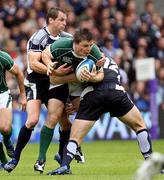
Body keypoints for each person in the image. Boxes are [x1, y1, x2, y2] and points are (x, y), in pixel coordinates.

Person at [4, 7, 84, 174]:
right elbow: (33, 64)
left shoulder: (68, 38)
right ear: (51, 20)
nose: (65, 23)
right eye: (61, 19)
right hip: (37, 82)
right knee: (32, 120)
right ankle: (15, 158)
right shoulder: (38, 37)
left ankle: (56, 161)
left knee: (62, 121)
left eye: (65, 20)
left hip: (57, 83)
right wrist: (52, 70)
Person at [45, 54, 153, 175]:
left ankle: (64, 166)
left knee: (75, 137)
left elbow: (77, 79)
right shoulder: (111, 62)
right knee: (140, 126)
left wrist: (57, 80)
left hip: (93, 96)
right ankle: (152, 163)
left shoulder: (87, 61)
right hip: (115, 93)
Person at [0, 50, 26, 169]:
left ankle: (7, 140)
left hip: (2, 95)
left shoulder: (2, 57)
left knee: (5, 128)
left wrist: (23, 95)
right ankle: (3, 161)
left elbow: (19, 73)